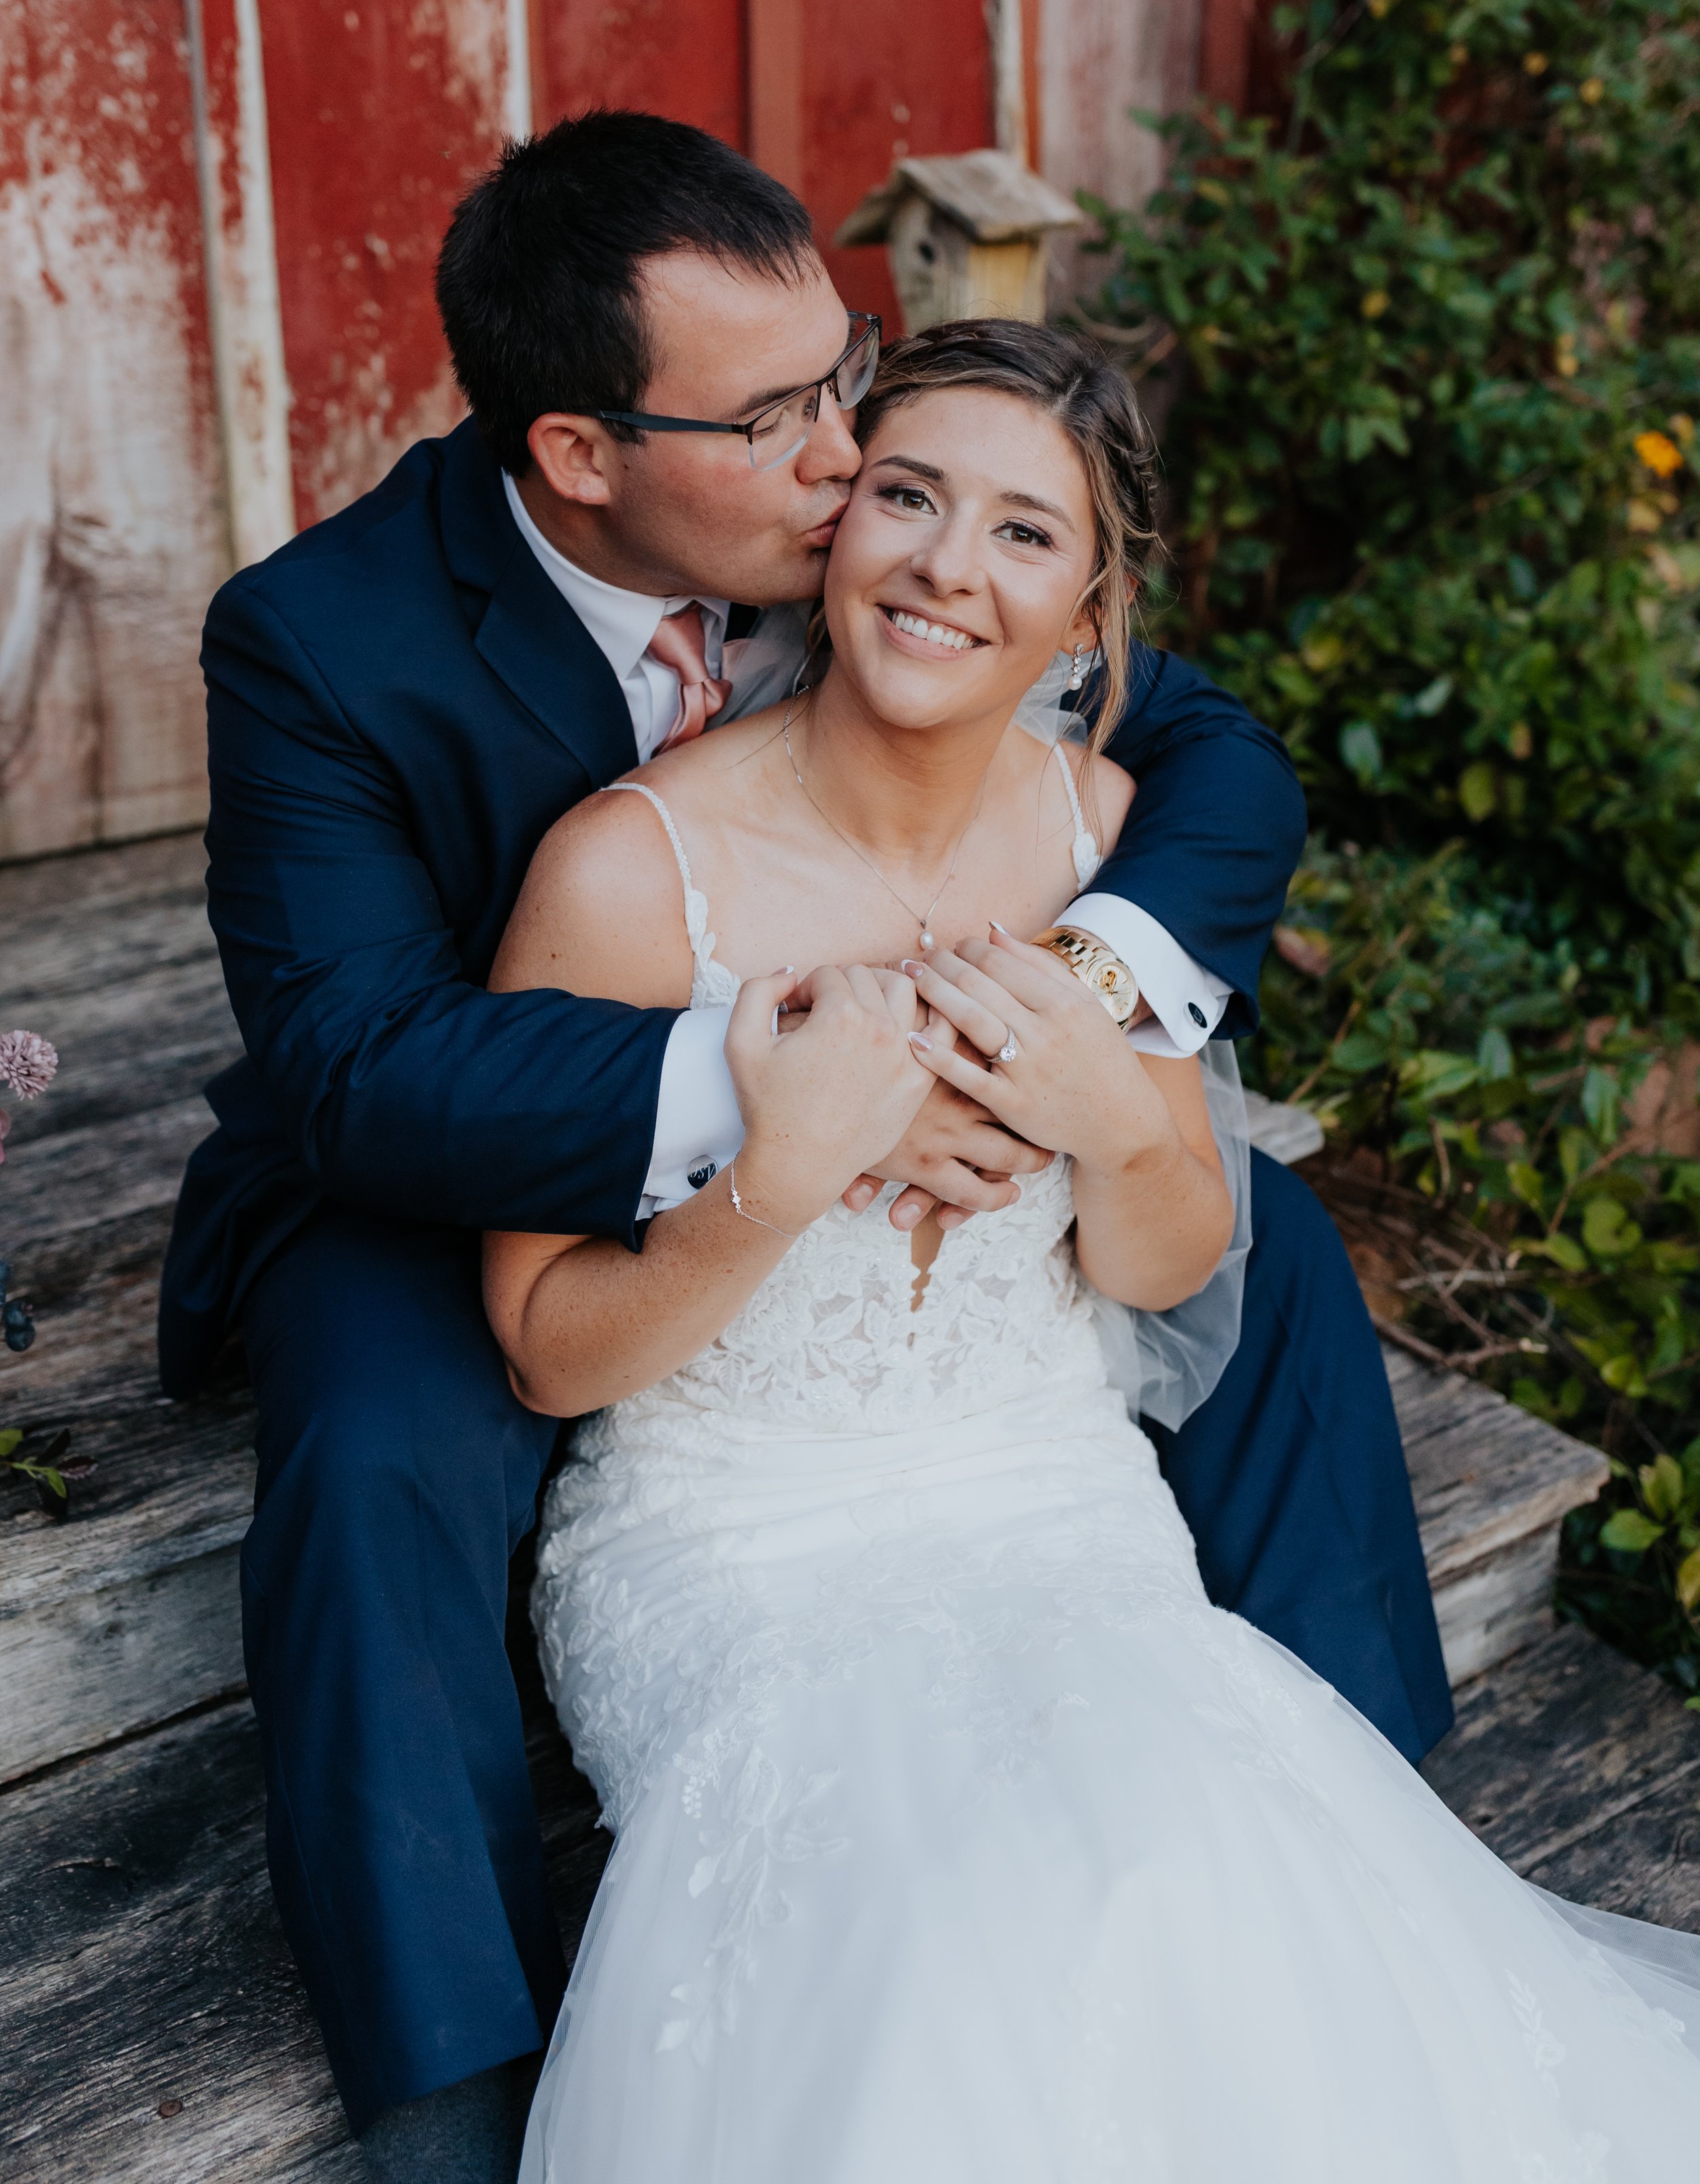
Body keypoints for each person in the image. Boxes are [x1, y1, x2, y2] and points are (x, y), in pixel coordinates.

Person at [159, 112, 1448, 2181]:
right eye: (780, 420)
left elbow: (1194, 749)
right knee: (381, 1436)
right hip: (461, 1153)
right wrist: (781, 1103)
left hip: (916, 1164)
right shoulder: (322, 642)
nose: (854, 462)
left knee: (1260, 1240)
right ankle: (448, 2075)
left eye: (842, 369)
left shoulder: (881, 544)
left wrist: (1073, 1019)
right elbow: (355, 1065)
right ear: (586, 457)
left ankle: (1362, 1811)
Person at [494, 320, 1700, 2181]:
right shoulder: (624, 874)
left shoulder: (1106, 841)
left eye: (1021, 534)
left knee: (1187, 1871)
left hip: (1056, 1503)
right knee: (942, 1950)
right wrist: (777, 1172)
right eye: (904, 496)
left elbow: (1154, 1268)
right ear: (832, 524)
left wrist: (1111, 1106)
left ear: (1089, 617)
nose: (943, 568)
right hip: (739, 1545)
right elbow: (547, 1352)